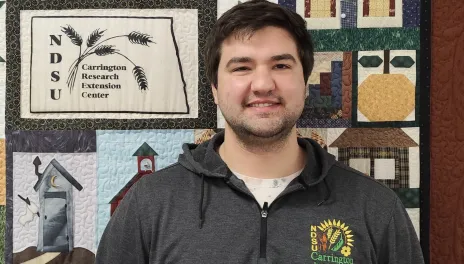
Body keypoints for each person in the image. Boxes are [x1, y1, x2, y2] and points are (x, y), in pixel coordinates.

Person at [96, 1, 425, 263]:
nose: (264, 84)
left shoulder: (377, 208)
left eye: (281, 66)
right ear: (214, 89)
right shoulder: (148, 204)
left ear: (305, 83)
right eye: (242, 67)